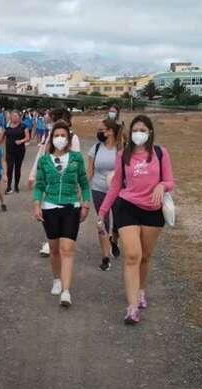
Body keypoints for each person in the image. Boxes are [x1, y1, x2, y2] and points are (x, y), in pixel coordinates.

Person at [99, 115, 174, 325]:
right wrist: (103, 211)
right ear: (130, 133)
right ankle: (132, 308)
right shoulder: (123, 155)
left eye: (143, 129)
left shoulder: (160, 153)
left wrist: (162, 186)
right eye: (135, 130)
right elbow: (115, 186)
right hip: (127, 207)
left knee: (145, 256)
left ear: (149, 132)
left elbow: (170, 181)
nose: (138, 133)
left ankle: (141, 291)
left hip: (152, 210)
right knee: (132, 255)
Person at [33, 121, 91, 306]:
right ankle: (57, 279)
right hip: (49, 208)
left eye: (63, 135)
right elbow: (40, 184)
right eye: (56, 135)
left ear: (68, 138)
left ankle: (66, 291)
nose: (60, 138)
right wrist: (36, 204)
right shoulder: (44, 160)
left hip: (71, 207)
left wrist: (86, 204)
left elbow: (83, 182)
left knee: (68, 249)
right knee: (55, 250)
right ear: (52, 138)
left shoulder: (76, 158)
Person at [29, 108, 81, 257]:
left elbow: (75, 160)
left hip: (65, 180)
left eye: (49, 117)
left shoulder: (73, 138)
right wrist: (34, 175)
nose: (46, 118)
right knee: (49, 211)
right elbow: (42, 155)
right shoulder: (50, 135)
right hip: (50, 178)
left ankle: (59, 242)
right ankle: (51, 241)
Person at [88, 119, 123, 271]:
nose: (99, 132)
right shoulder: (95, 149)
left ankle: (114, 240)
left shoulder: (122, 149)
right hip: (98, 189)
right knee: (102, 222)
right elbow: (90, 171)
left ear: (110, 131)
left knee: (118, 223)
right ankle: (105, 257)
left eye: (102, 129)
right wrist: (81, 188)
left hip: (119, 192)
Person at [1, 110, 31, 194]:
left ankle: (16, 186)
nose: (14, 117)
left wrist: (21, 141)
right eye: (13, 116)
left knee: (17, 168)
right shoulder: (7, 126)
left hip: (20, 151)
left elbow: (28, 137)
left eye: (16, 116)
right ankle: (8, 187)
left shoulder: (23, 126)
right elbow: (2, 136)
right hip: (9, 151)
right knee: (9, 168)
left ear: (19, 117)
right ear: (10, 117)